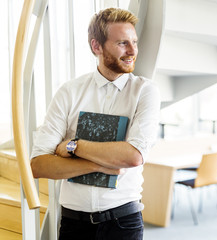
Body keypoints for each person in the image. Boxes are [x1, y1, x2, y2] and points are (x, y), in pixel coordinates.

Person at [30, 8, 160, 240]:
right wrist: (101, 165)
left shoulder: (145, 91)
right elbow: (39, 165)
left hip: (123, 224)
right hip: (73, 224)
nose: (132, 51)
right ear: (96, 46)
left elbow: (133, 156)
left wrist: (73, 146)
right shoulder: (69, 92)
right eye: (122, 43)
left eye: (134, 42)